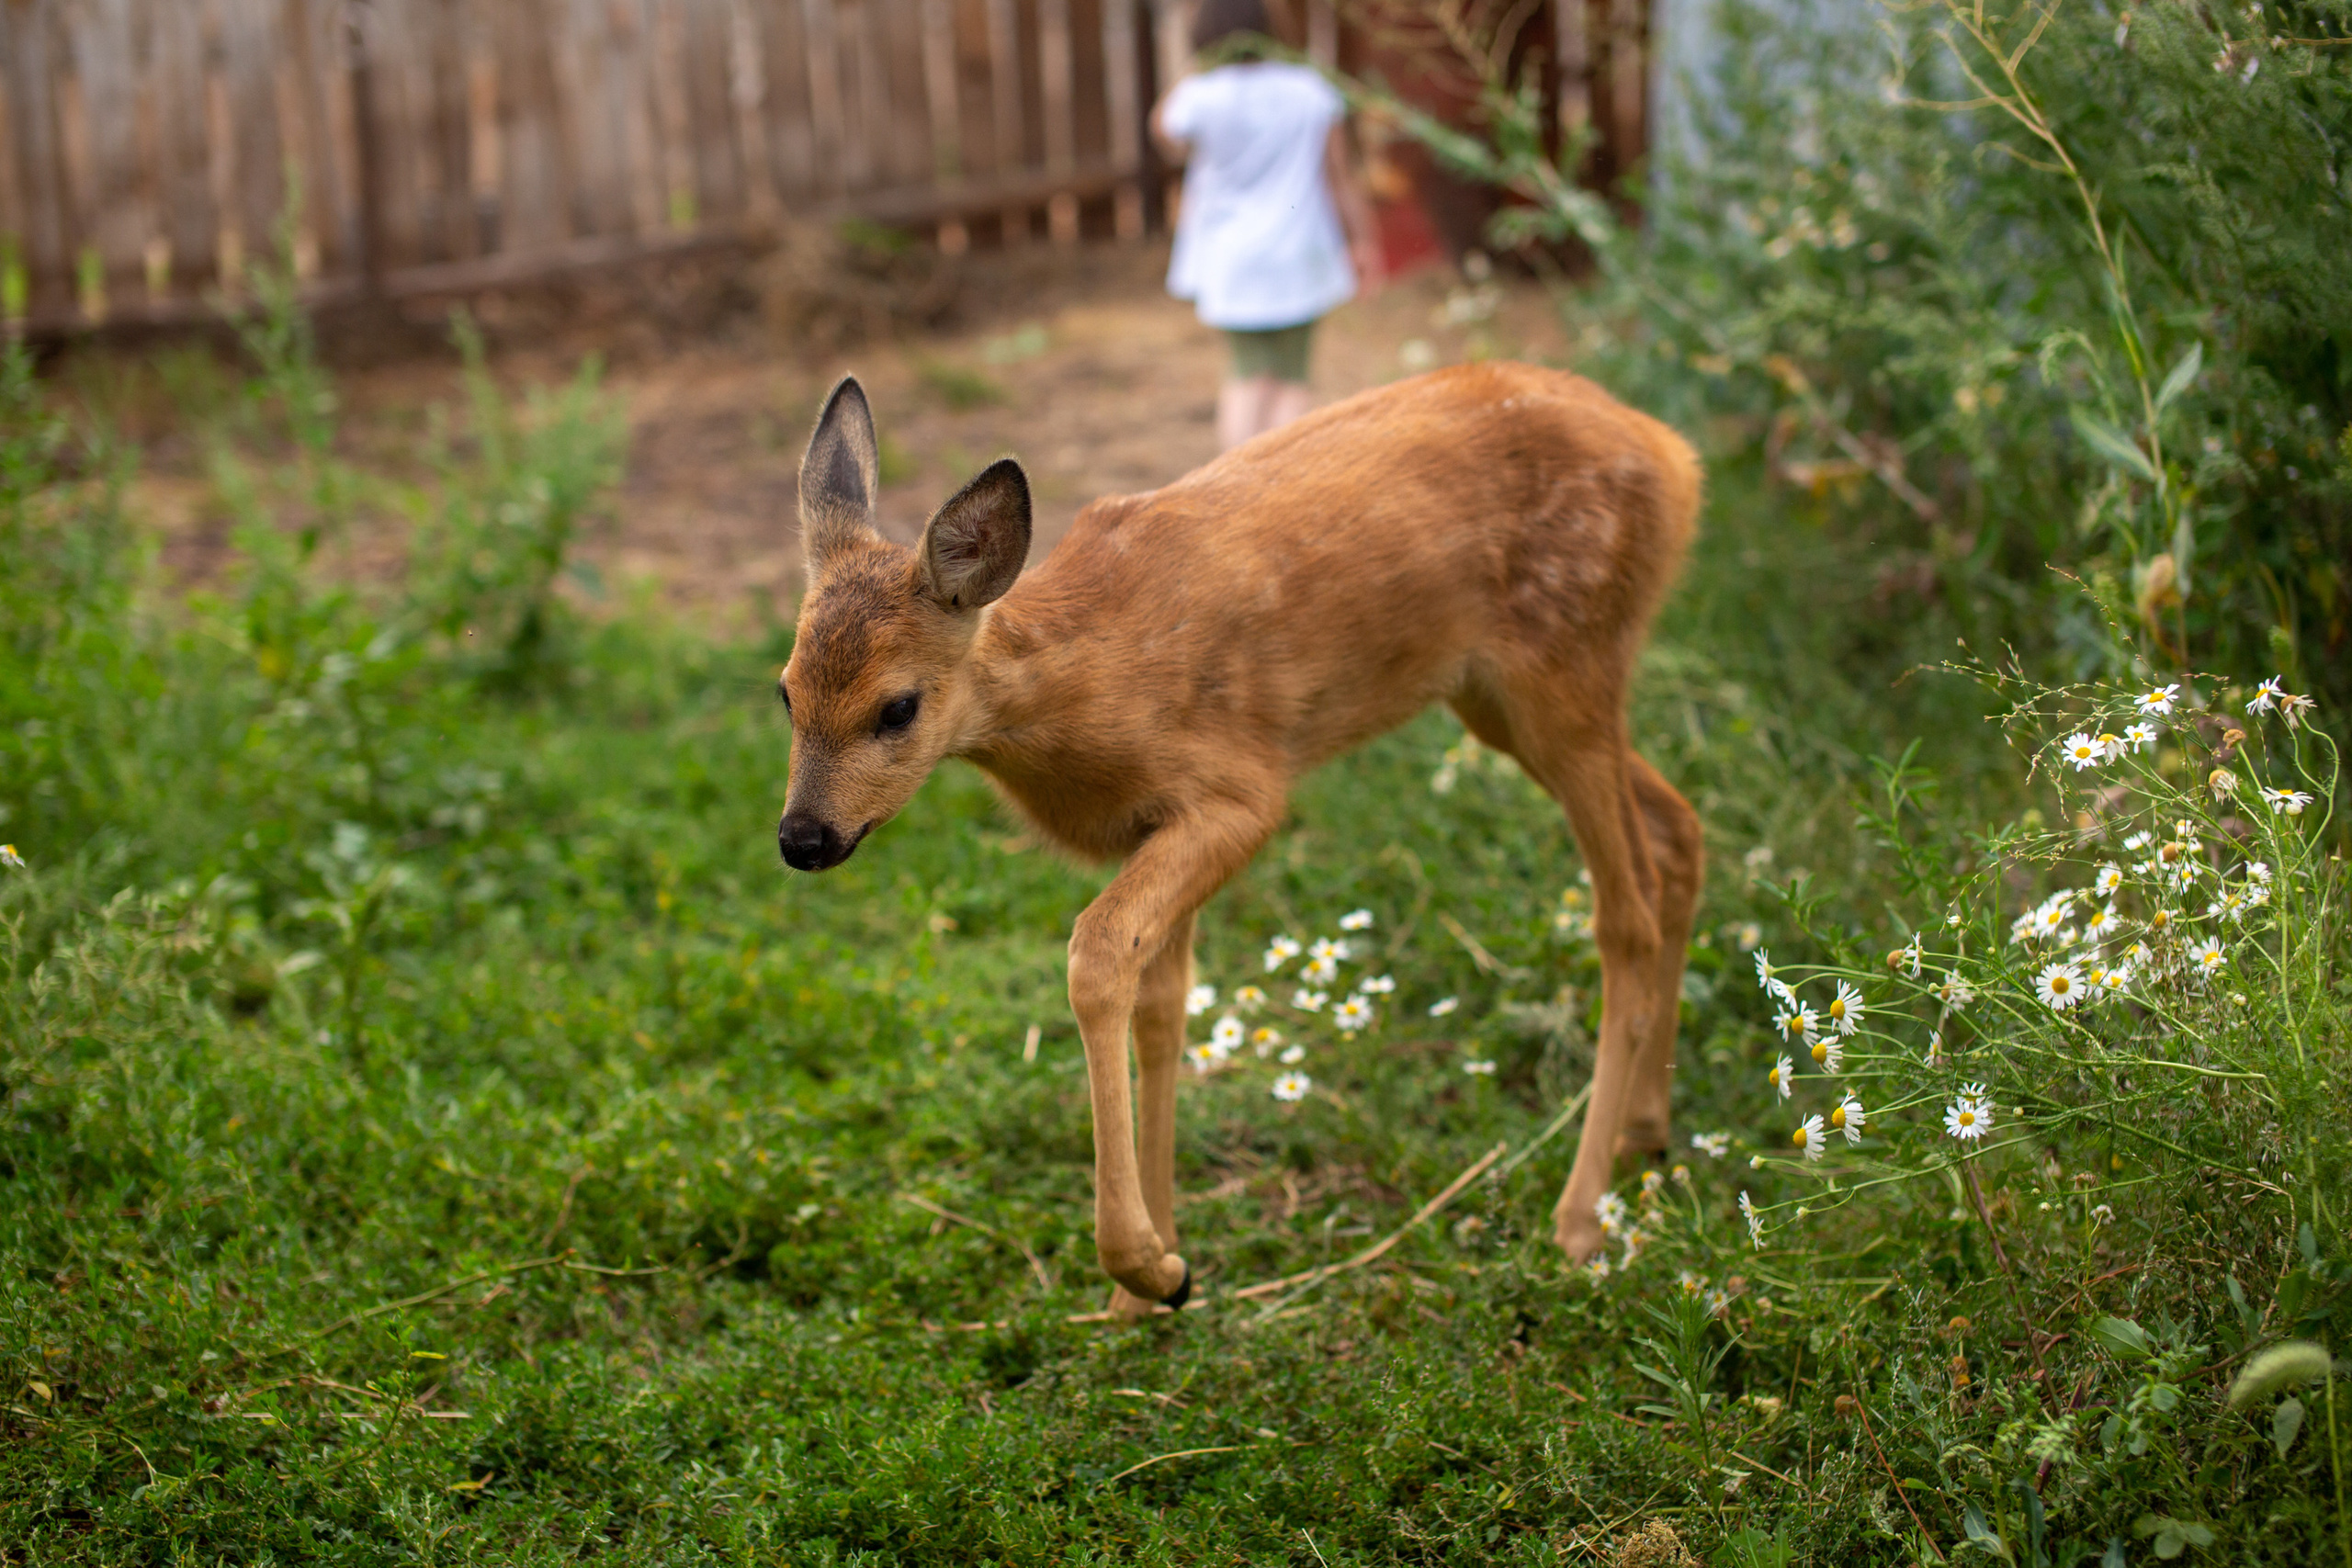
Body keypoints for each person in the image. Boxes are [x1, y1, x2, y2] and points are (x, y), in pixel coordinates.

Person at [1152, 0, 1382, 451]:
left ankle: (1237, 487)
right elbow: (1340, 177)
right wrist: (1364, 241)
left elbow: (1164, 134)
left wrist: (1194, 65)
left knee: (1246, 372)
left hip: (1232, 256)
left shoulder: (1200, 96)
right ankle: (1278, 485)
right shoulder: (1309, 90)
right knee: (1293, 375)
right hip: (1300, 251)